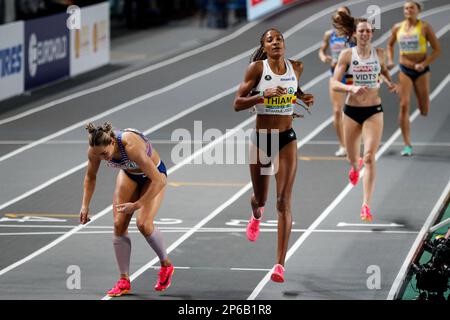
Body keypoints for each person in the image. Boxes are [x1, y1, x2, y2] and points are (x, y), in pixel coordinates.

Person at [233, 29, 313, 282]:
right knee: (261, 197)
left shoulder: (296, 67)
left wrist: (303, 96)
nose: (275, 41)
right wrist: (261, 95)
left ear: (284, 44)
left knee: (282, 201)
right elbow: (237, 103)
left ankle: (279, 265)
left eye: (278, 38)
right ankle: (256, 214)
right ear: (264, 47)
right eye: (270, 40)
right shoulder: (257, 69)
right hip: (261, 139)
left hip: (286, 138)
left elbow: (294, 89)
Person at [79, 122, 174, 297]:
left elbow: (160, 181)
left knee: (143, 224)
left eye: (105, 154)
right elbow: (90, 177)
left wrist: (137, 204)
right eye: (98, 155)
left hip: (153, 177)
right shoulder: (94, 150)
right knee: (118, 225)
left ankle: (166, 265)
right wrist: (85, 205)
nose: (103, 158)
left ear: (112, 143)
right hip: (129, 175)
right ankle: (124, 280)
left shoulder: (130, 145)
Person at [332, 17, 397, 221]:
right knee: (354, 158)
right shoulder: (346, 55)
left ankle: (365, 205)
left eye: (368, 31)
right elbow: (334, 83)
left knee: (369, 157)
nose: (364, 34)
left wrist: (388, 82)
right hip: (351, 111)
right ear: (354, 34)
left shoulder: (379, 53)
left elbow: (384, 70)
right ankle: (353, 166)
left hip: (374, 111)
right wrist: (351, 87)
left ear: (372, 33)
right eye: (361, 31)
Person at [386, 1, 441, 156]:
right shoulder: (398, 27)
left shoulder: (424, 27)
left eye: (411, 7)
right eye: (405, 8)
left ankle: (423, 105)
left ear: (418, 10)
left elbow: (437, 50)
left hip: (421, 70)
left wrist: (424, 63)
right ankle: (407, 145)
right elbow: (390, 45)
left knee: (424, 109)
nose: (408, 10)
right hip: (404, 69)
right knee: (404, 104)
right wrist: (390, 60)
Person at [318, 6, 354, 157]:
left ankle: (356, 141)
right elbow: (321, 50)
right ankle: (343, 146)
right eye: (337, 15)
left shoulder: (354, 35)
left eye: (343, 14)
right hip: (335, 75)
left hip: (353, 75)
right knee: (337, 111)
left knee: (353, 112)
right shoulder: (329, 34)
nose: (340, 17)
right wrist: (324, 57)